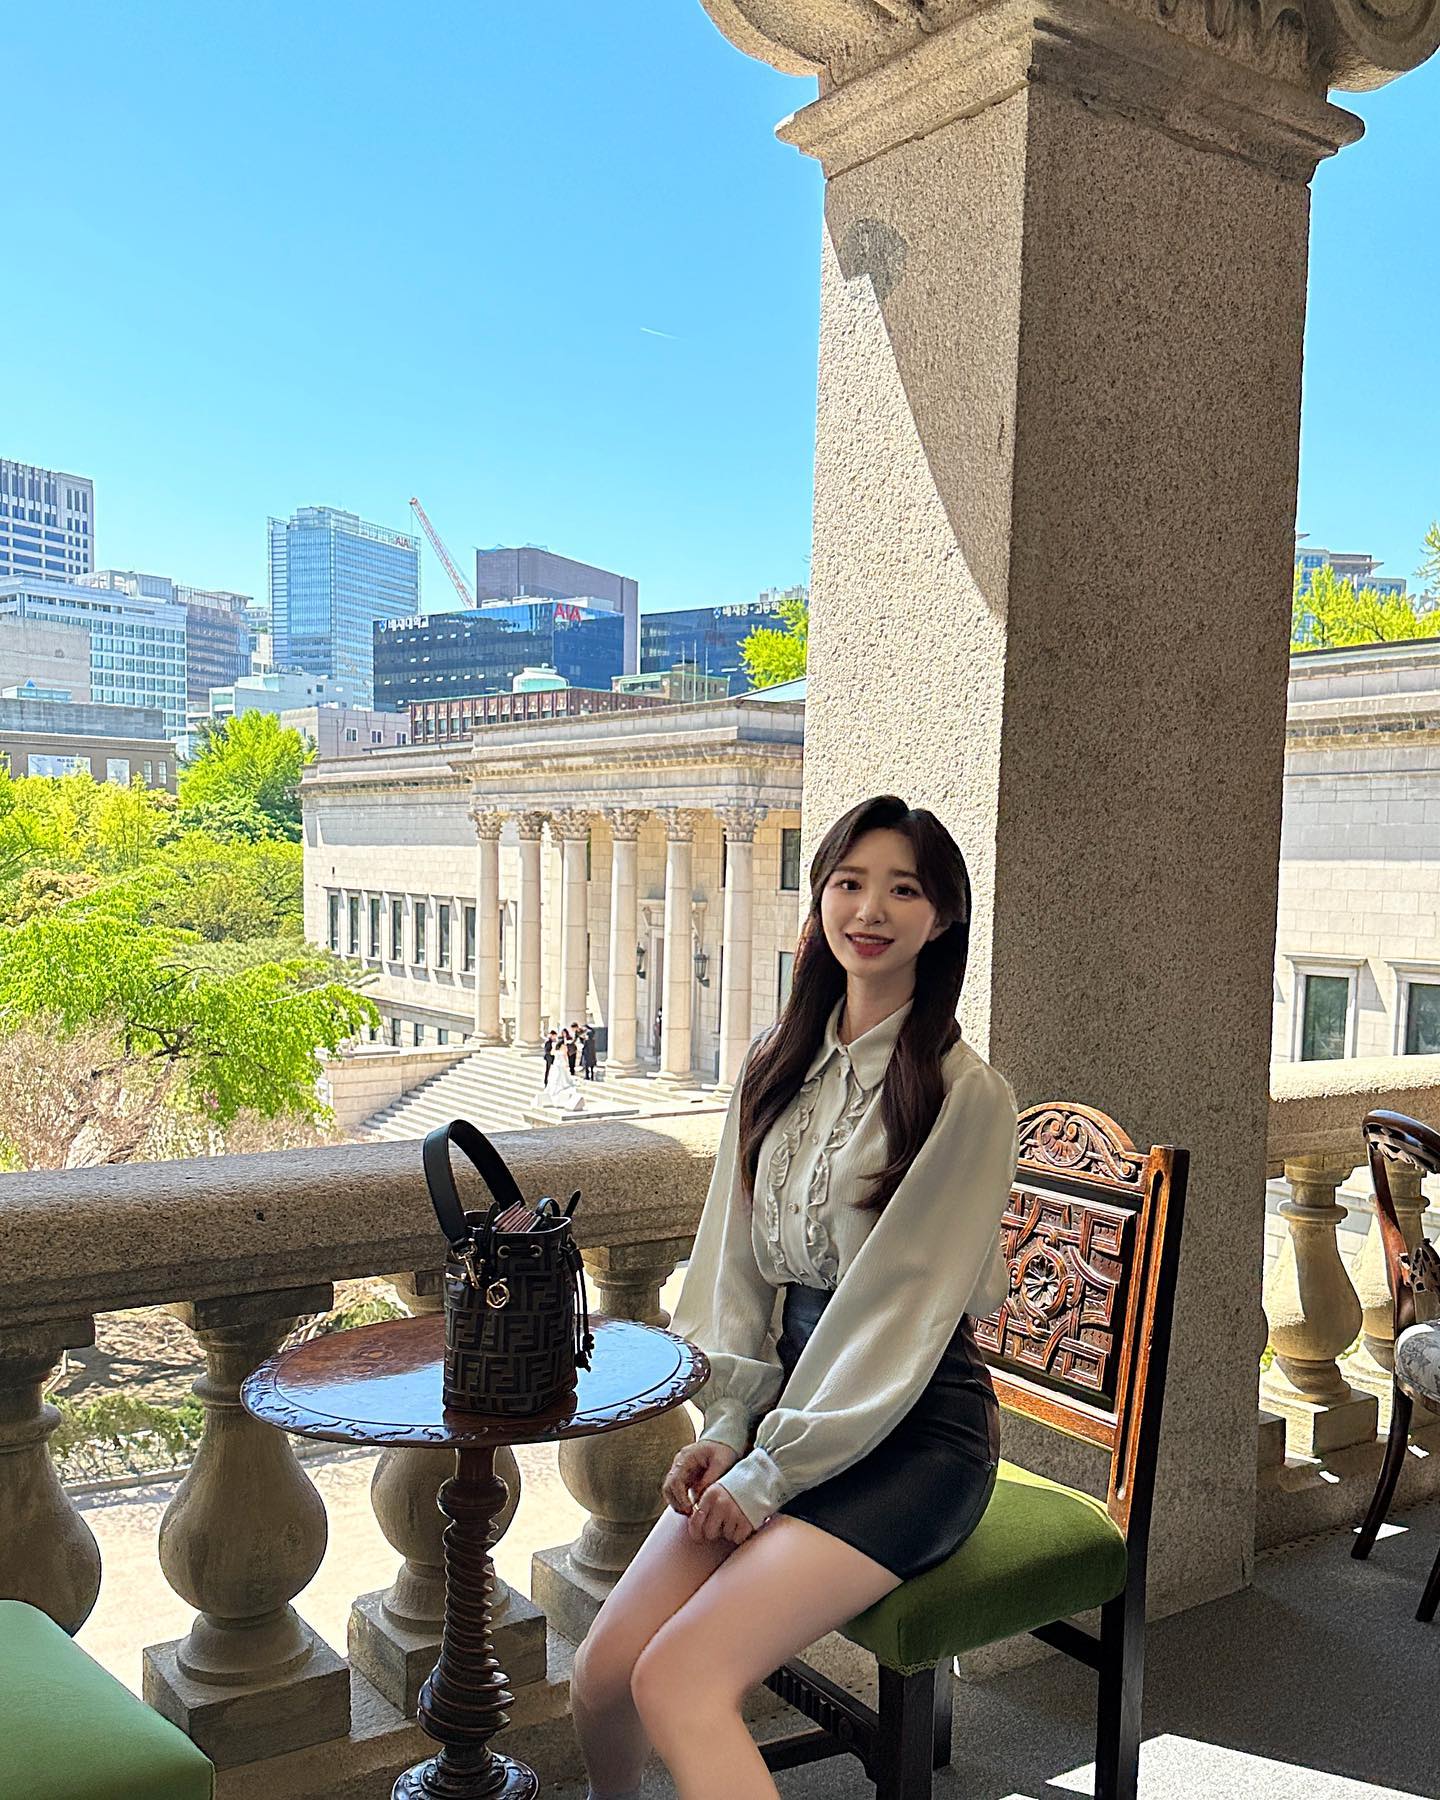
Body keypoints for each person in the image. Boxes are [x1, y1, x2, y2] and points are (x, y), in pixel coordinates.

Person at [569, 795, 1018, 1800]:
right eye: (850, 883)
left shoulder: (966, 1095)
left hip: (913, 1434)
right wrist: (730, 1423)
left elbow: (893, 1320)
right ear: (819, 897)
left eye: (904, 889)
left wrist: (769, 1475)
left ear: (943, 917)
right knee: (602, 1674)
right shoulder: (776, 1064)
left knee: (679, 1682)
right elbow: (730, 1268)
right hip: (787, 1414)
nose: (871, 909)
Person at [543, 1036, 584, 1113]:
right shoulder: (561, 1047)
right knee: (558, 1076)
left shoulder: (560, 1047)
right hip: (558, 1064)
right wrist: (566, 1063)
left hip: (558, 1063)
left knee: (559, 1076)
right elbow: (561, 1055)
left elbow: (558, 1054)